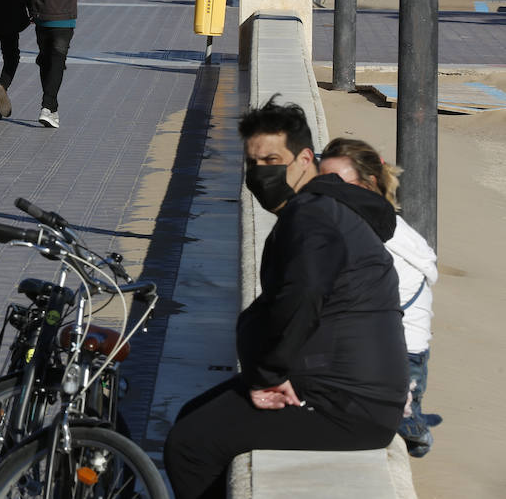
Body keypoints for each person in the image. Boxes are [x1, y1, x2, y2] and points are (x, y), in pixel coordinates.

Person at [163, 100, 407, 499]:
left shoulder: (312, 216)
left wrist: (270, 375)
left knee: (190, 446)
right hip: (343, 389)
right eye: (253, 163)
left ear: (305, 159)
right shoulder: (319, 208)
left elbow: (303, 294)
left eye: (273, 160)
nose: (262, 173)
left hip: (346, 403)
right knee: (192, 417)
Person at [318, 138, 440, 458]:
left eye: (338, 183)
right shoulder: (371, 222)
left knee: (405, 427)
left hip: (403, 352)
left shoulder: (377, 234)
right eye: (321, 182)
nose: (327, 191)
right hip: (391, 343)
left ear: (369, 183)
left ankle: (418, 432)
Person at [11, 0, 90, 128]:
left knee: (46, 60)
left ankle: (51, 108)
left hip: (42, 17)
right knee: (57, 60)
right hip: (64, 20)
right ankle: (48, 106)